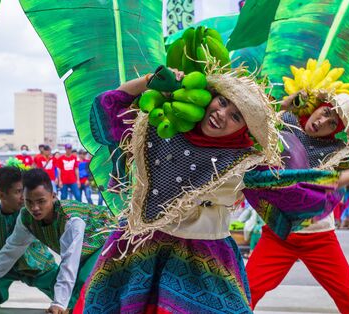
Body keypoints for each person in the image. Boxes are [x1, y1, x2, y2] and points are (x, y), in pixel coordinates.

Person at [81, 64, 284, 313]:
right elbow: (107, 108)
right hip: (139, 248)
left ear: (244, 129)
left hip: (204, 257)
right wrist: (149, 81)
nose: (222, 114)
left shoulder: (247, 163)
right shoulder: (158, 127)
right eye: (222, 102)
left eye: (236, 116)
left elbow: (289, 194)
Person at [245, 91, 349, 314]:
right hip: (279, 233)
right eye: (324, 113)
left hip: (319, 237)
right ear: (317, 107)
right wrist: (283, 104)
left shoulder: (340, 153)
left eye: (332, 123)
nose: (322, 122)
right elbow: (254, 122)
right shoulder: (286, 123)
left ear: (337, 131)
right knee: (245, 292)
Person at [0, 169, 114, 314]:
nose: (35, 208)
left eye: (41, 201)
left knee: (84, 283)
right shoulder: (25, 216)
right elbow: (11, 249)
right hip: (83, 251)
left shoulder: (71, 220)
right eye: (29, 202)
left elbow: (69, 263)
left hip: (107, 240)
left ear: (53, 196)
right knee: (73, 293)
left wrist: (58, 304)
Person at [0, 167, 57, 306]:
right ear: (1, 194)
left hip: (38, 264)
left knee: (71, 295)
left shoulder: (30, 211)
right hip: (1, 271)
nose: (24, 196)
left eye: (24, 190)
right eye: (18, 192)